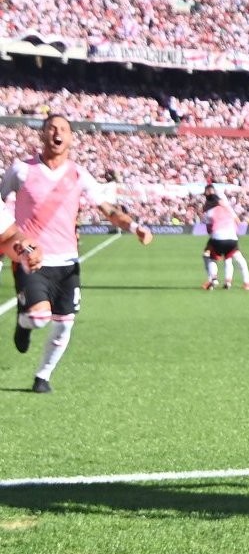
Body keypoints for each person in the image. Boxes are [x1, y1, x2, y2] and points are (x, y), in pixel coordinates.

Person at [1, 113, 153, 393]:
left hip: (68, 261)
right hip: (31, 257)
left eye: (63, 129)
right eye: (51, 128)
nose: (57, 133)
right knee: (38, 318)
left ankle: (43, 376)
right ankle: (23, 323)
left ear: (71, 138)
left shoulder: (79, 175)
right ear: (42, 134)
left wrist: (134, 227)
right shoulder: (21, 170)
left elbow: (107, 209)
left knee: (63, 326)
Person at [201, 191, 249, 290]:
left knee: (212, 259)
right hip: (232, 238)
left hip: (218, 238)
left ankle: (213, 279)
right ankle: (245, 283)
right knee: (234, 259)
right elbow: (238, 222)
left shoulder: (210, 212)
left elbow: (209, 230)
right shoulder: (229, 209)